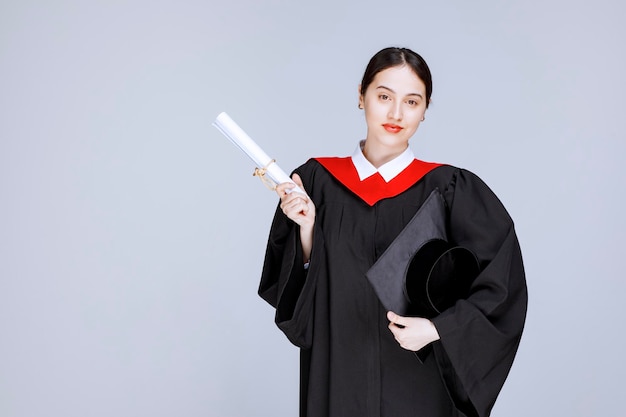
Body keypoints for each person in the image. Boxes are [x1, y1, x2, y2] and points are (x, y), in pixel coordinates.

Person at [258, 46, 527, 417]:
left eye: (412, 101)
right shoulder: (317, 181)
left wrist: (437, 329)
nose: (396, 114)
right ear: (361, 96)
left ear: (425, 109)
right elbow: (295, 300)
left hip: (418, 382)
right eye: (384, 96)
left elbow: (502, 285)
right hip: (339, 374)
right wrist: (306, 232)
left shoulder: (449, 189)